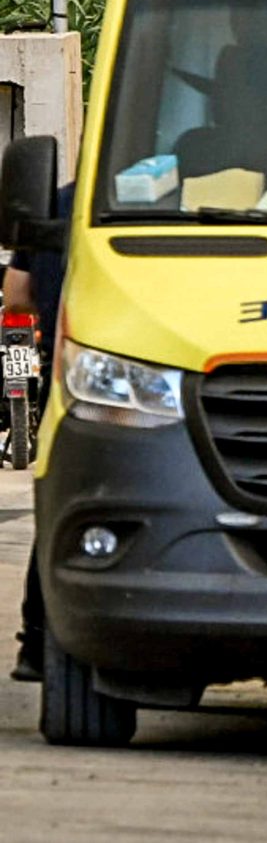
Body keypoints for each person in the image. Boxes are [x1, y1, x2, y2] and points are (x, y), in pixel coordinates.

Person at [7, 182, 66, 683]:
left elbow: (16, 297)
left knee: (60, 508)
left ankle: (38, 642)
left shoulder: (58, 206)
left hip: (64, 371)